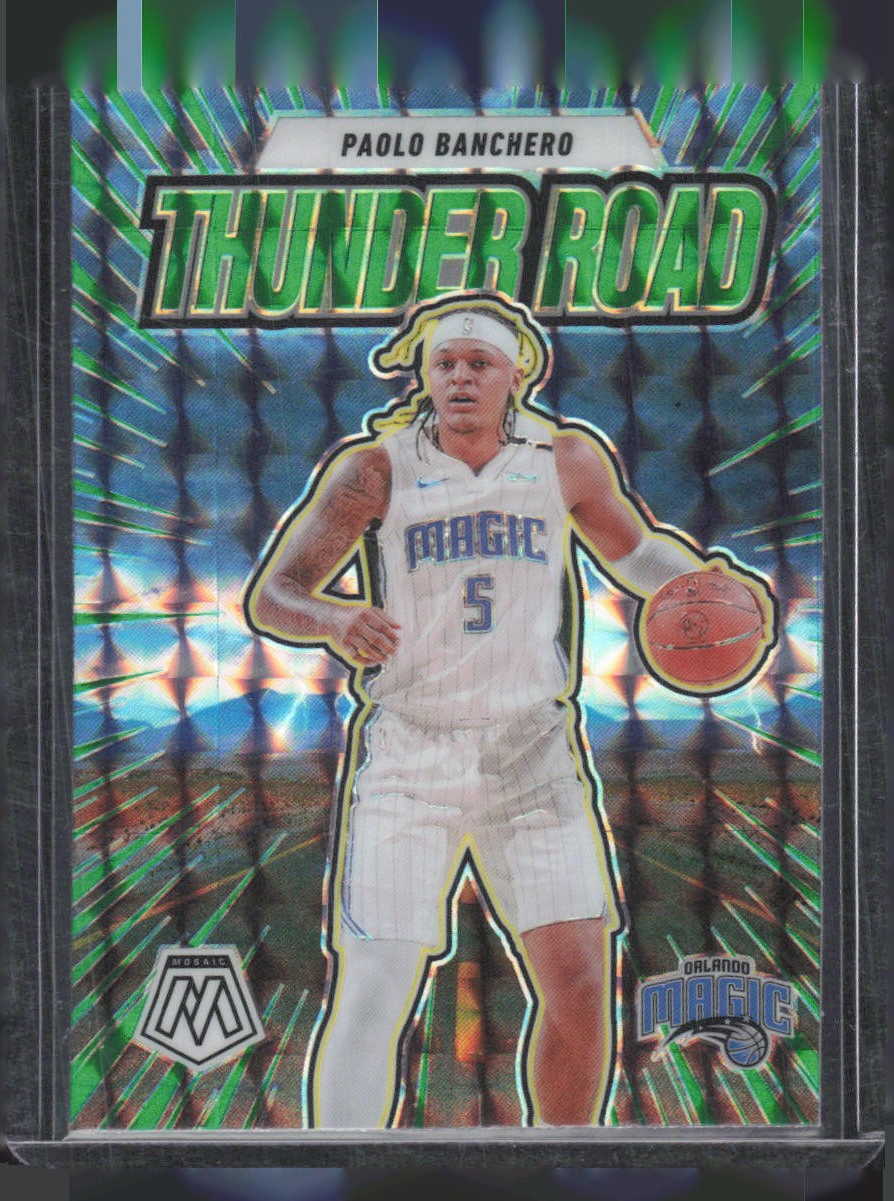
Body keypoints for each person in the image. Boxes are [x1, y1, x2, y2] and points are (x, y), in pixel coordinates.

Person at [244, 292, 775, 1128]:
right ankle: (340, 1165)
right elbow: (275, 592)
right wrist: (333, 618)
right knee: (376, 984)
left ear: (516, 372)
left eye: (478, 363)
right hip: (412, 751)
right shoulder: (378, 467)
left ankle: (559, 1158)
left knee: (581, 983)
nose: (459, 377)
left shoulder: (564, 459)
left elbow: (636, 551)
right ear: (425, 375)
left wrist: (701, 585)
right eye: (445, 363)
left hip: (531, 750)